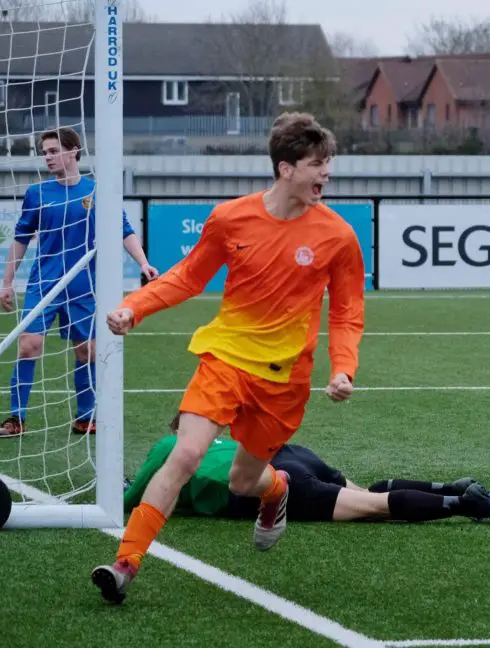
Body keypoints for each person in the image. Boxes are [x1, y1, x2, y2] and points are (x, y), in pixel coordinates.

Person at [91, 112, 366, 605]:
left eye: (328, 164)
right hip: (225, 359)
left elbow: (347, 312)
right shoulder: (230, 218)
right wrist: (135, 307)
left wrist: (343, 367)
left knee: (243, 481)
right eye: (317, 164)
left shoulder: (339, 237)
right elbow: (188, 276)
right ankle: (125, 563)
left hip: (283, 382)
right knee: (186, 455)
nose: (326, 174)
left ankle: (274, 489)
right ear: (286, 168)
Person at [0, 127, 158, 438]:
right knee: (29, 346)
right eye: (44, 152)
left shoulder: (97, 192)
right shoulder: (37, 194)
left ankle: (85, 418)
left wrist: (143, 263)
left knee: (87, 352)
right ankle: (16, 418)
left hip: (83, 286)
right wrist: (6, 282)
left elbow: (123, 230)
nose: (47, 157)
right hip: (43, 284)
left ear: (73, 151)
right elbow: (20, 239)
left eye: (53, 150)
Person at [125, 418, 490, 525]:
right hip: (289, 454)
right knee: (364, 492)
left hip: (274, 482)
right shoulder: (223, 442)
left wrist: (125, 487)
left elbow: (132, 499)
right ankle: (451, 485)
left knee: (373, 507)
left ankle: (460, 503)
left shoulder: (170, 448)